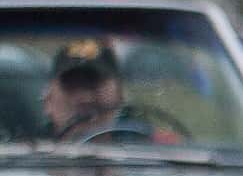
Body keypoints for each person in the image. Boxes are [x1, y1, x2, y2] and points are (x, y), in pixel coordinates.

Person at [40, 38, 168, 145]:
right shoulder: (25, 153)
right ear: (48, 100)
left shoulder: (157, 148)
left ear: (120, 95)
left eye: (94, 84)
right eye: (71, 85)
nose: (85, 98)